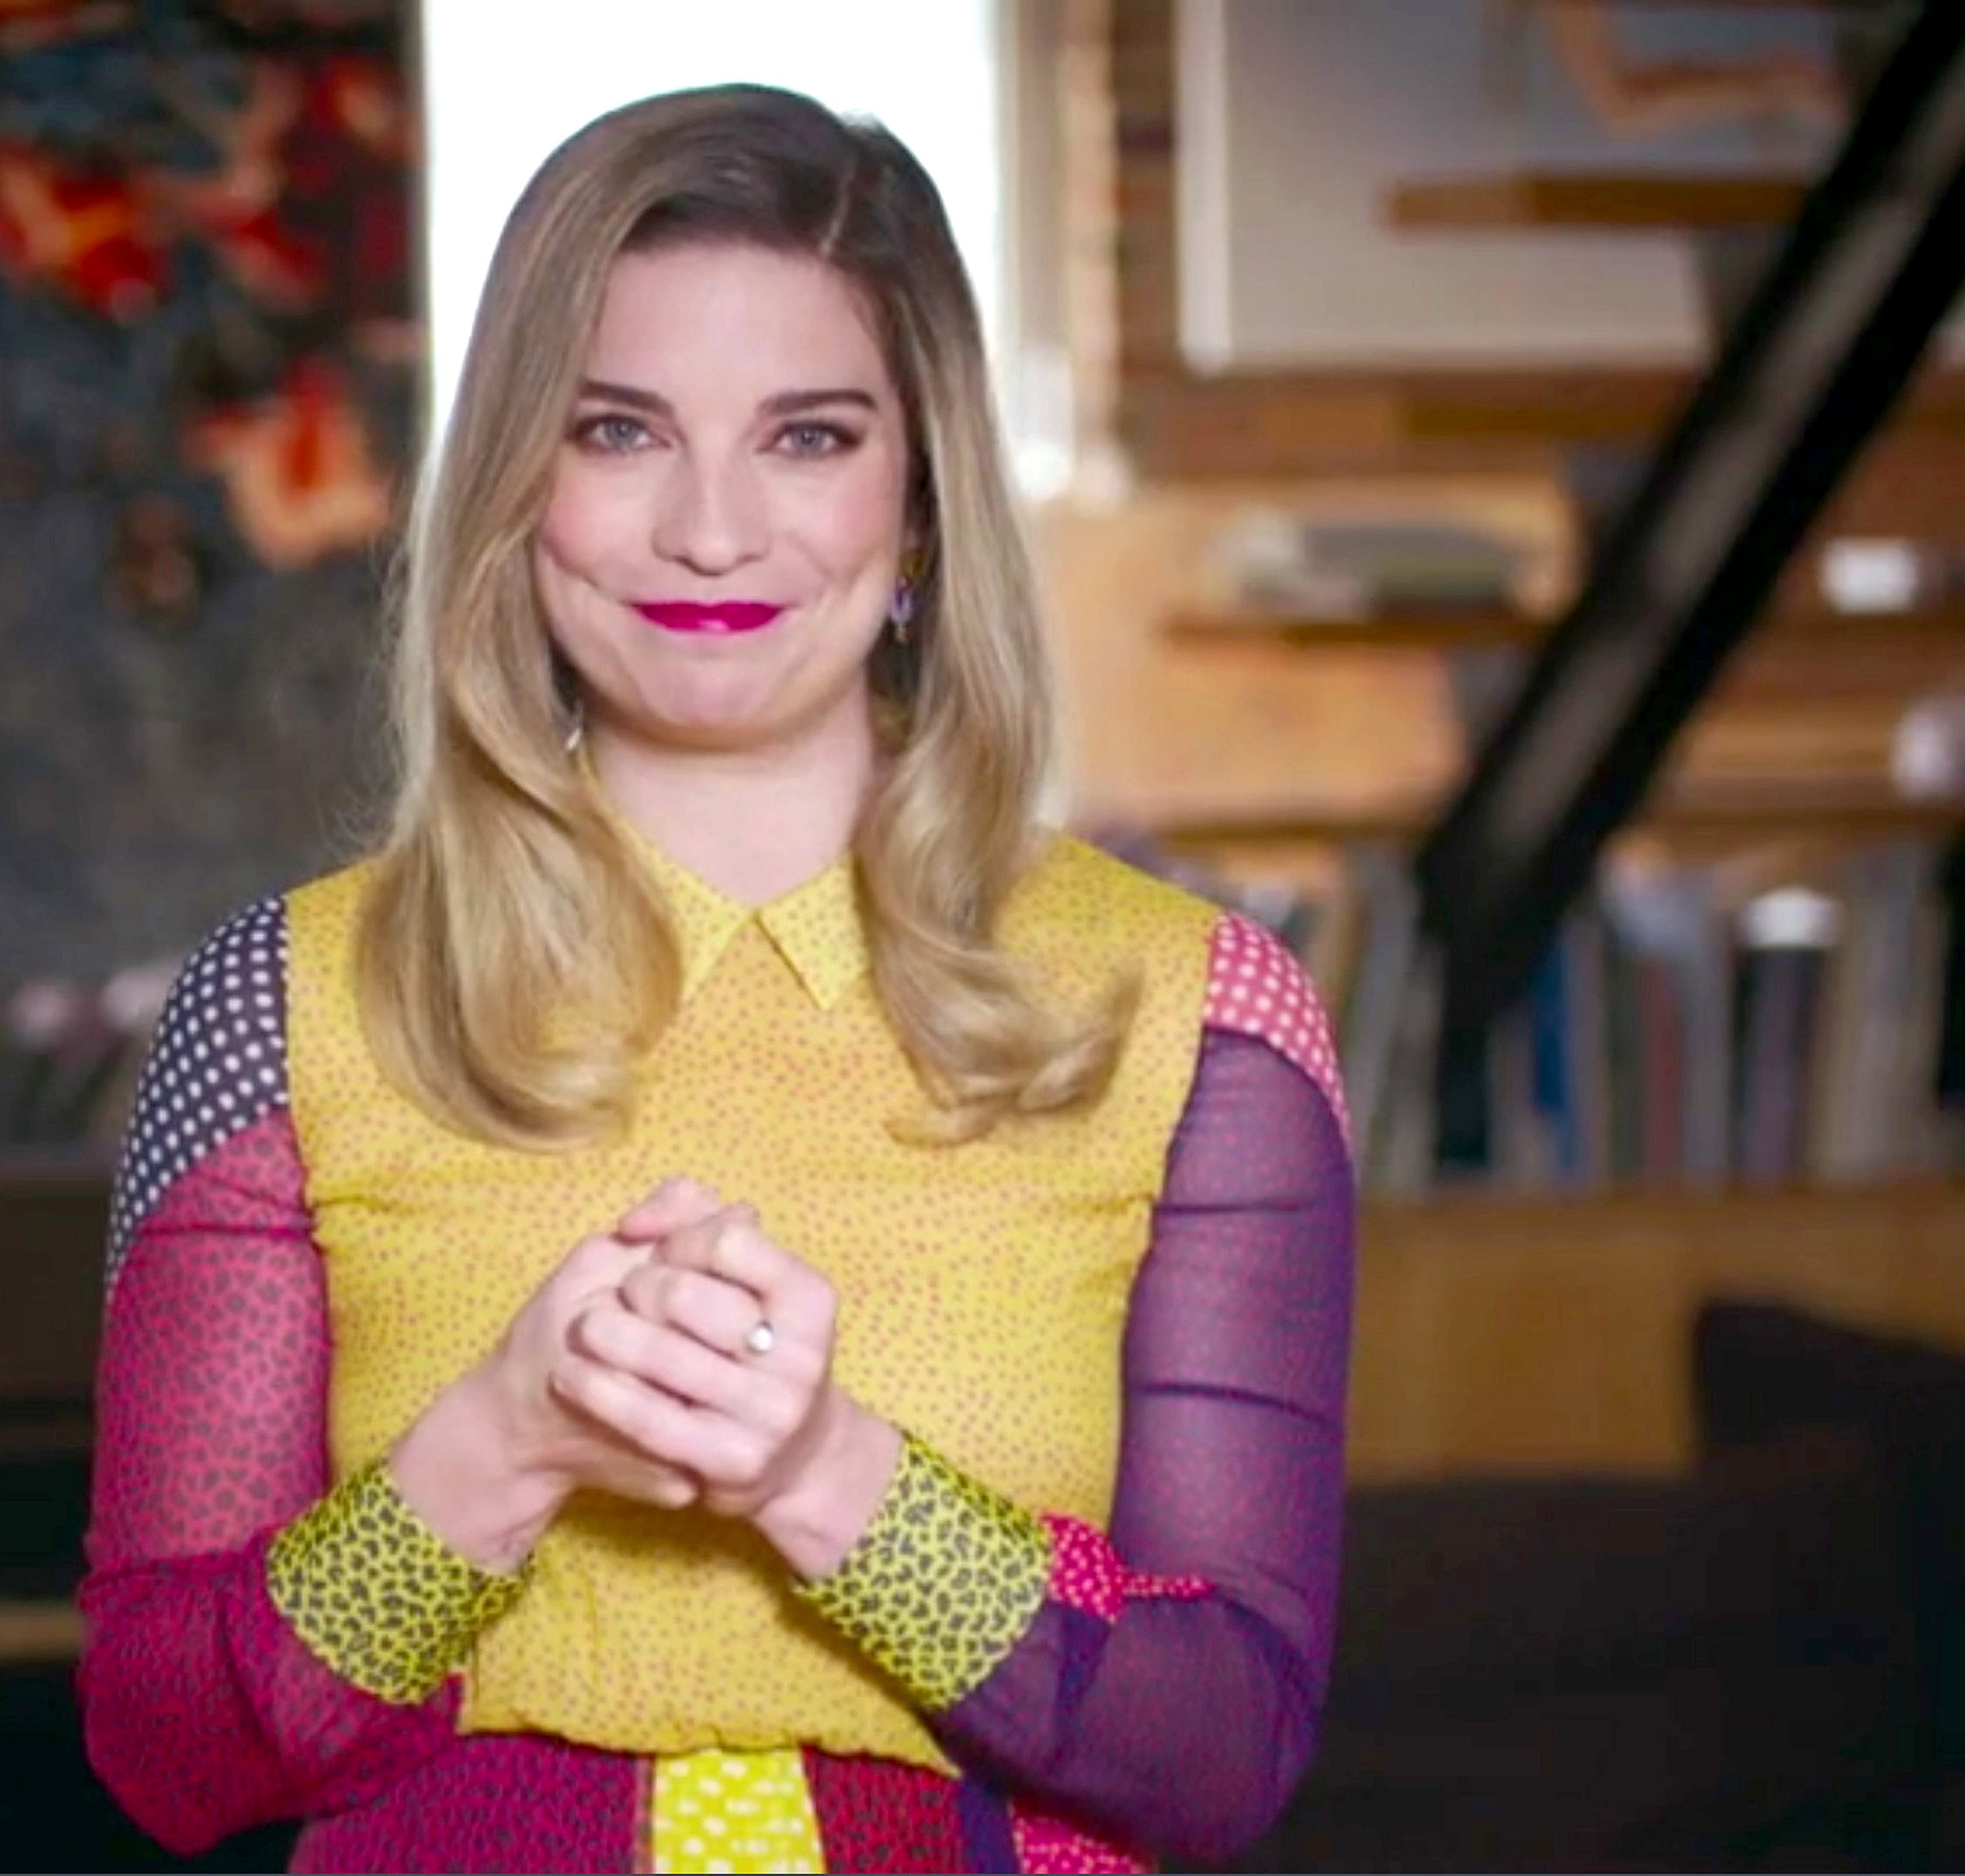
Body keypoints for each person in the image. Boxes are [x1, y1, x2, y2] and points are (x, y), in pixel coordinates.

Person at [80, 83, 1357, 1875]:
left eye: (810, 438)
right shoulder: (281, 1005)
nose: (710, 529)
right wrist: (501, 1452)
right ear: (520, 483)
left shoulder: (1201, 1015)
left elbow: (1224, 1757)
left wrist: (827, 1478)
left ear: (921, 501)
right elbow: (165, 1754)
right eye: (618, 431)